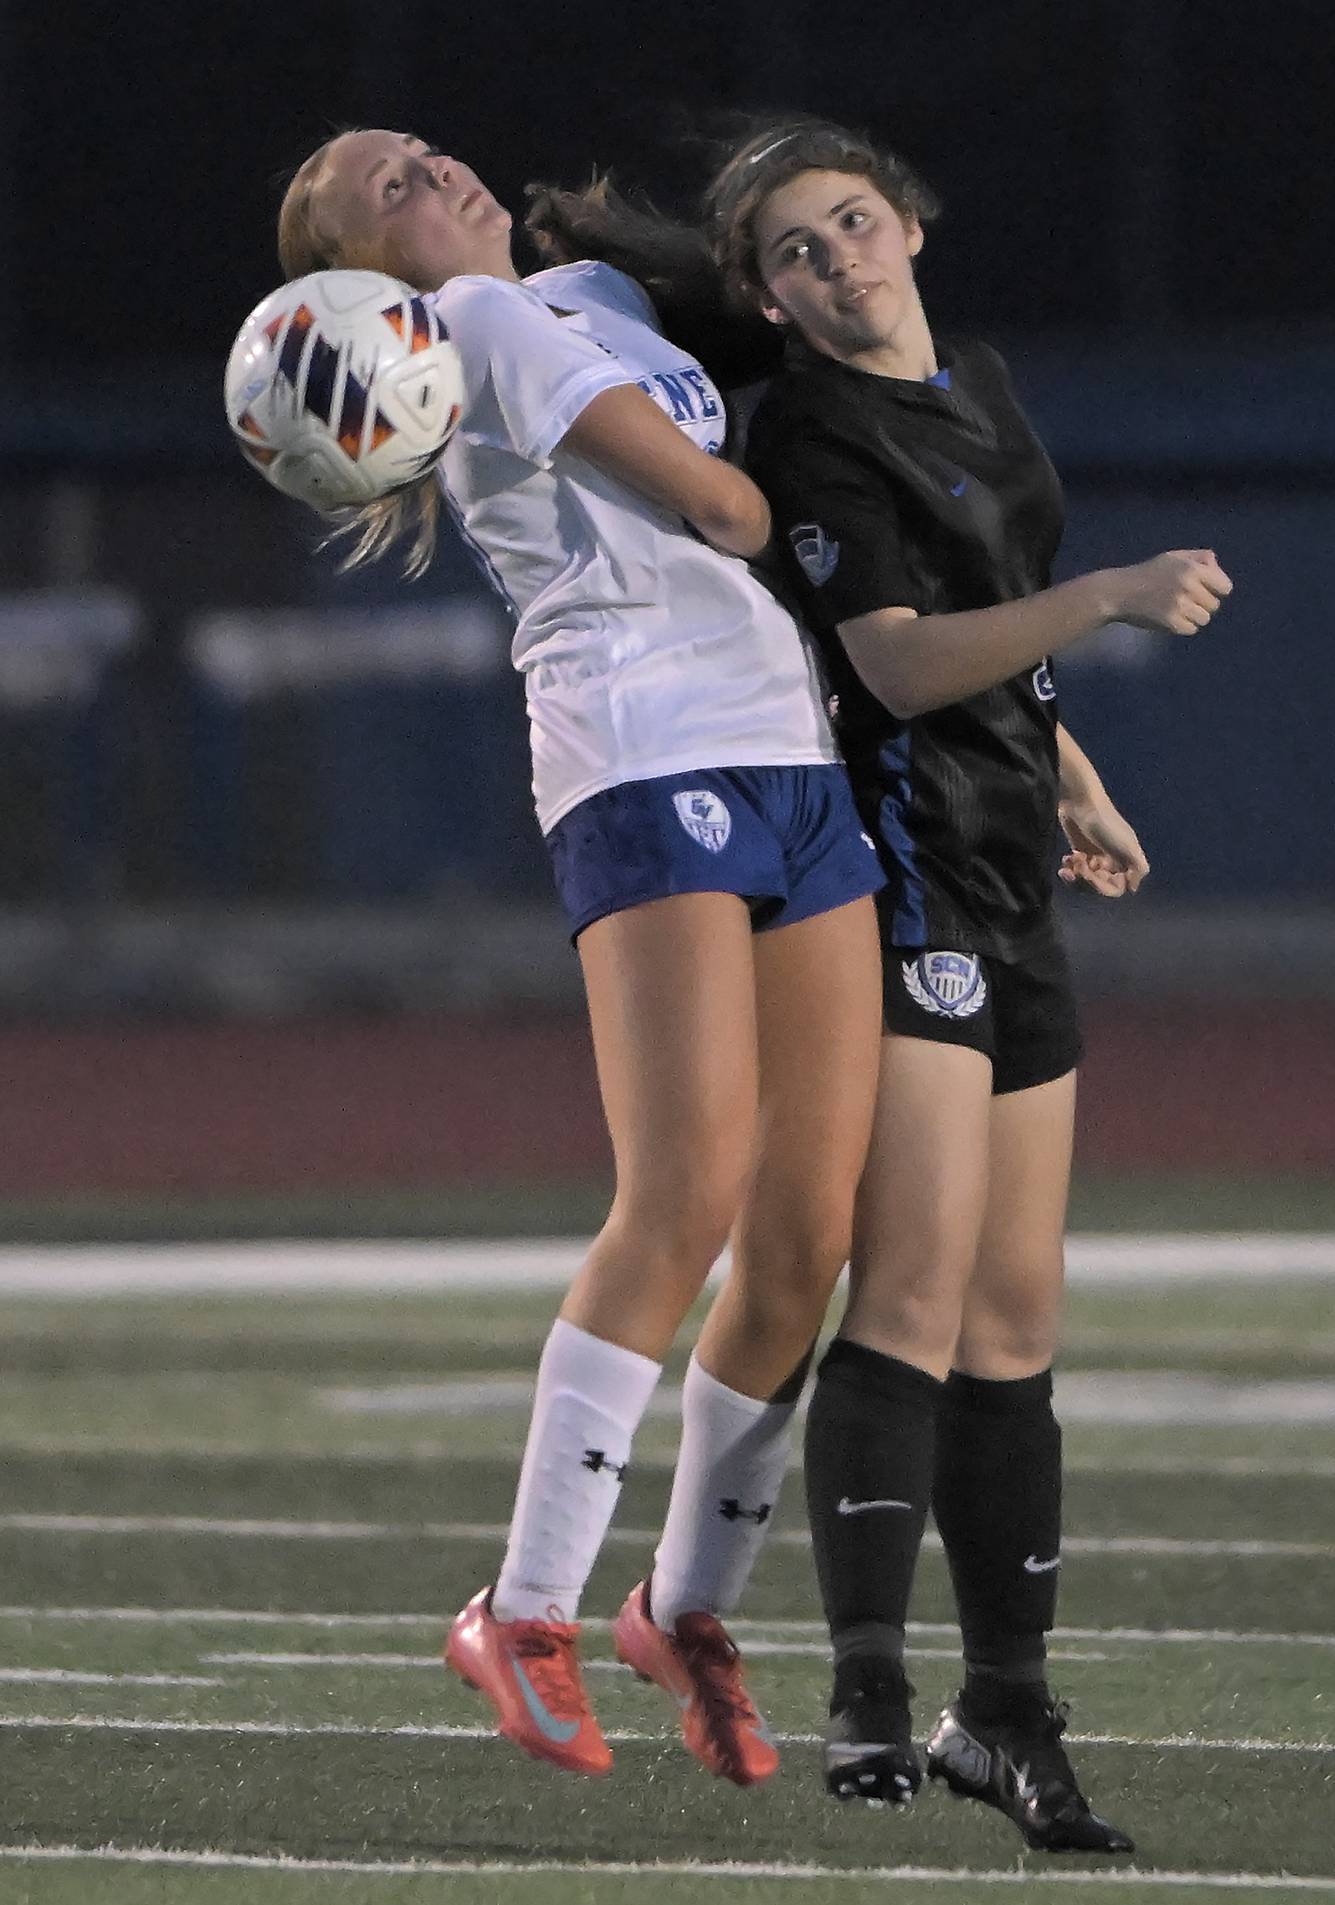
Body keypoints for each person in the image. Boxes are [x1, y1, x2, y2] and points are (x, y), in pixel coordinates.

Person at [274, 128, 886, 1786]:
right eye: (381, 191)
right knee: (684, 1187)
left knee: (809, 1226)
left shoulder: (590, 288)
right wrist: (775, 495)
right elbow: (712, 494)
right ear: (365, 276)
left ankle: (682, 1607)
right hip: (642, 750)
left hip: (791, 753)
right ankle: (524, 1608)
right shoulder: (472, 328)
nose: (426, 168)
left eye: (414, 151)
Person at [695, 117, 1232, 1848]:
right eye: (795, 249)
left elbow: (988, 611)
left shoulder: (977, 381)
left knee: (1017, 1330)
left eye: (852, 221)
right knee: (912, 1302)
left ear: (913, 226)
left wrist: (1072, 776)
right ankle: (861, 1680)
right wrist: (1109, 598)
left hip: (1012, 871)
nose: (836, 256)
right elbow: (905, 661)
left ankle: (1003, 1713)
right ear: (769, 300)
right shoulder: (816, 432)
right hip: (901, 872)